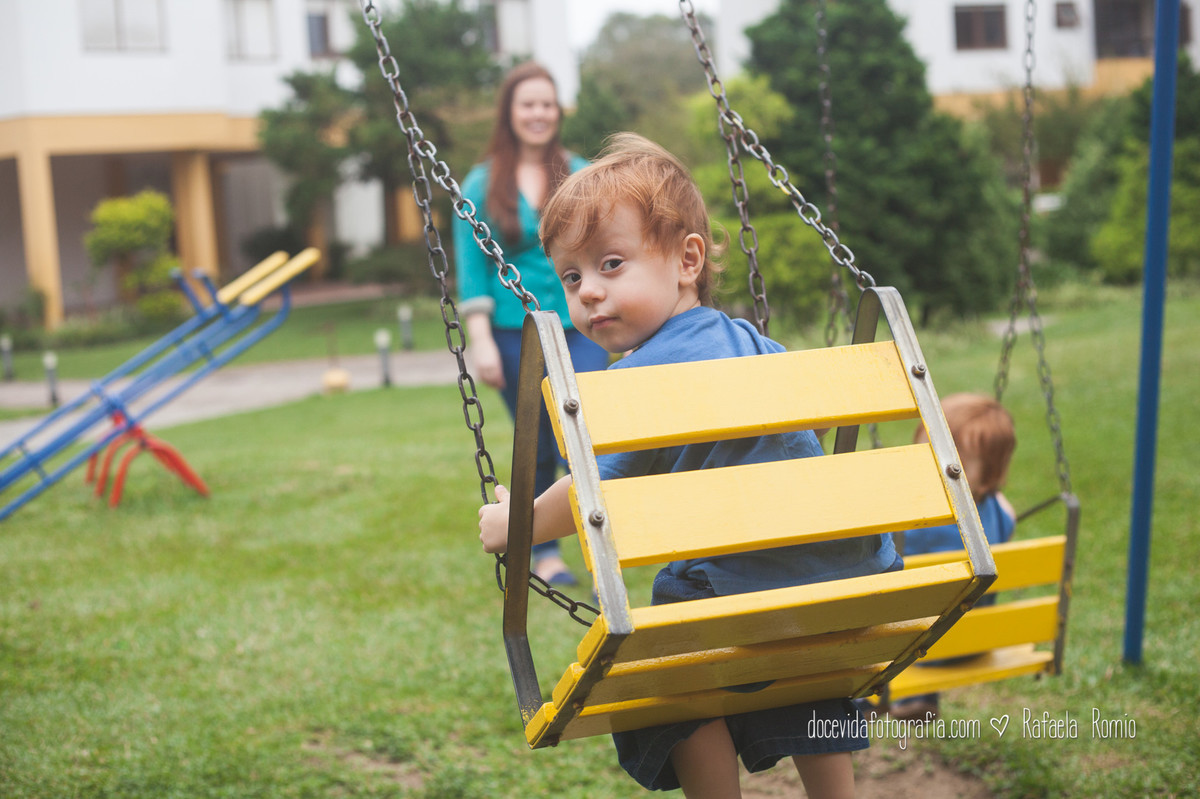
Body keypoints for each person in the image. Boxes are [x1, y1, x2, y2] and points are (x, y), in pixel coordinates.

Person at [478, 133, 900, 799]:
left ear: (686, 259)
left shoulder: (641, 379)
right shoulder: (753, 342)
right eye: (572, 275)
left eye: (610, 264)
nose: (588, 292)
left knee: (668, 665)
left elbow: (593, 492)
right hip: (844, 584)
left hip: (747, 593)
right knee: (804, 661)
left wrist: (516, 523)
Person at [454, 61, 608, 586]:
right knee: (537, 436)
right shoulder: (480, 182)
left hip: (580, 323)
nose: (539, 113)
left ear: (557, 111)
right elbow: (472, 268)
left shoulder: (582, 173)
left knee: (586, 424)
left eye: (547, 103)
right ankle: (545, 551)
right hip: (510, 326)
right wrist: (480, 342)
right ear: (510, 113)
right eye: (528, 104)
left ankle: (602, 529)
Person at [887, 392, 1017, 721]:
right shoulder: (1003, 512)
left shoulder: (911, 519)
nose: (935, 461)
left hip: (912, 647)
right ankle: (920, 697)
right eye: (929, 448)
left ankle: (870, 700)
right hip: (973, 643)